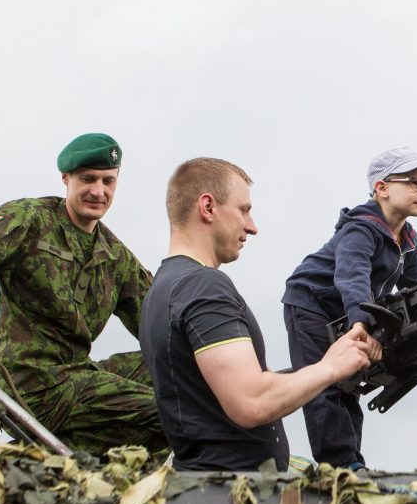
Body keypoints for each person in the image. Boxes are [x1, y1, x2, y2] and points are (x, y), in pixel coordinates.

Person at [0, 133, 167, 454]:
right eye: (87, 179)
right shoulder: (35, 219)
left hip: (76, 375)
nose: (98, 191)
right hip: (30, 385)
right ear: (66, 178)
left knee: (174, 369)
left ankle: (45, 457)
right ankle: (45, 458)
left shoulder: (115, 256)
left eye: (108, 181)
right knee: (169, 415)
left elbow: (161, 323)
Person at [139, 158, 373, 471]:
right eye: (243, 210)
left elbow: (237, 389)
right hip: (229, 498)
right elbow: (251, 401)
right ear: (207, 207)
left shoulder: (162, 288)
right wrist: (329, 369)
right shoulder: (202, 284)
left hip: (207, 492)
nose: (252, 226)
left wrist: (330, 365)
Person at [281, 147, 417, 470]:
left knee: (349, 385)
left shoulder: (409, 240)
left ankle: (351, 463)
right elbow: (352, 277)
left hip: (348, 313)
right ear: (381, 188)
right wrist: (360, 327)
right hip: (311, 303)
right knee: (325, 383)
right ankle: (341, 466)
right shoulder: (361, 228)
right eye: (413, 183)